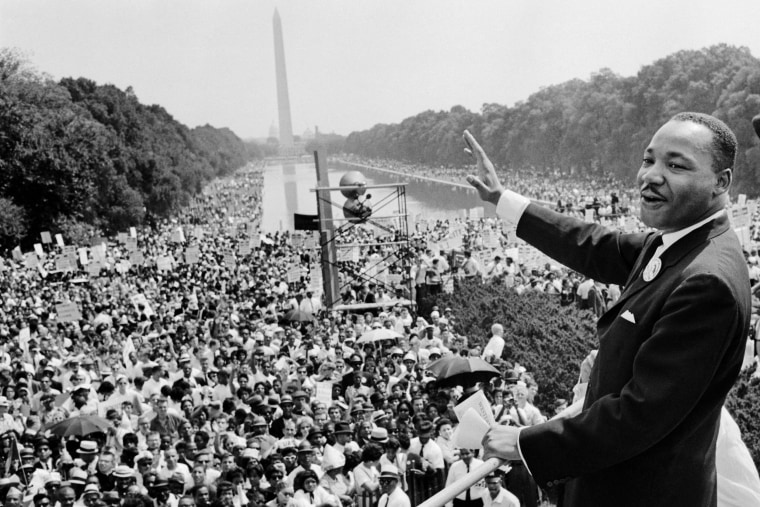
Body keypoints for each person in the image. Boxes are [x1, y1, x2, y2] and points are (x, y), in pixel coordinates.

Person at [465, 112, 751, 507]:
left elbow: (639, 415)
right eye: (649, 160)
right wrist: (503, 199)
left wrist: (523, 442)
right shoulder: (682, 241)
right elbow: (594, 245)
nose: (651, 175)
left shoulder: (707, 282)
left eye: (676, 165)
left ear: (721, 182)